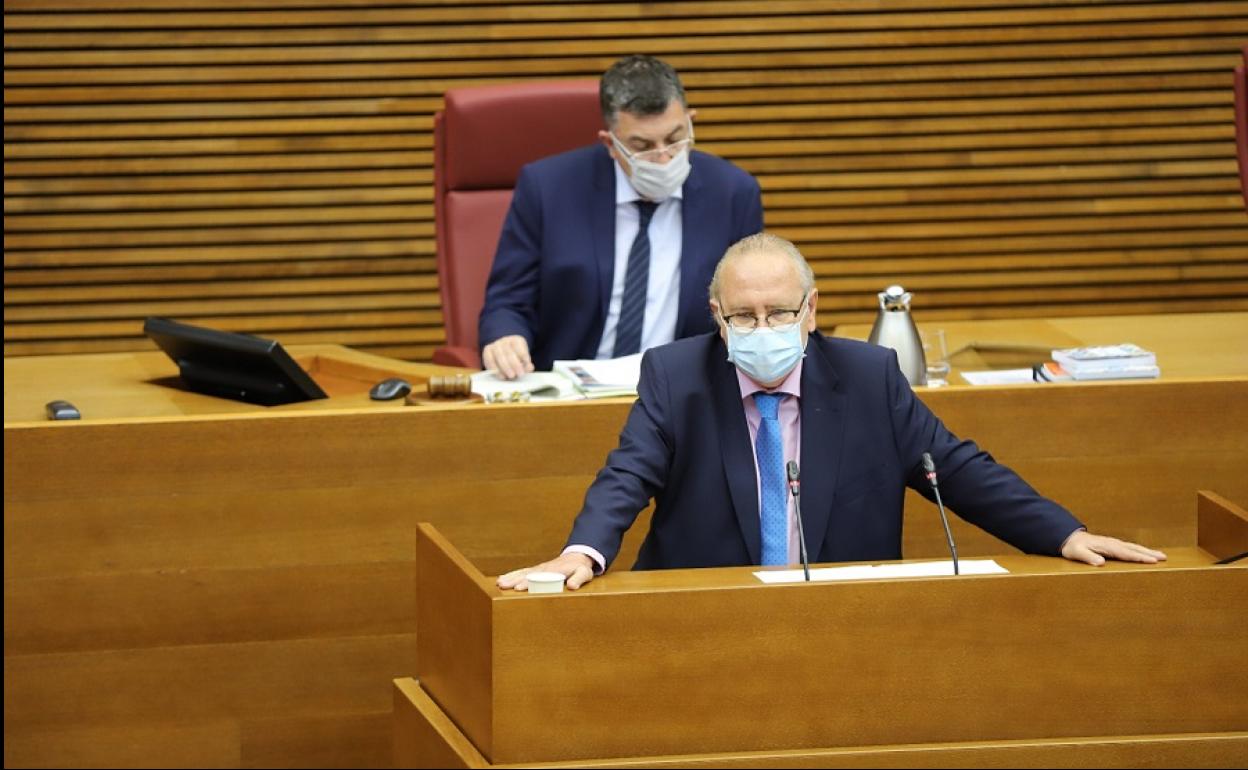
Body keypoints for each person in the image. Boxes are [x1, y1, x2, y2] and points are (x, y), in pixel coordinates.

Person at [498, 233, 1166, 590]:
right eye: (745, 316)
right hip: (700, 616)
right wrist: (579, 554)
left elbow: (956, 468)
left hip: (844, 616)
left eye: (782, 312)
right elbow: (627, 475)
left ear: (811, 310)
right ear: (718, 319)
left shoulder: (868, 376)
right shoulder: (678, 376)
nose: (765, 327)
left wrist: (1063, 534)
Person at [479, 54, 764, 379]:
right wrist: (504, 338)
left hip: (684, 395)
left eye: (674, 139)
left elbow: (749, 309)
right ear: (611, 144)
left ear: (691, 121)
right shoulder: (547, 189)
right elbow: (508, 300)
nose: (663, 158)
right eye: (642, 146)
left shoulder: (733, 193)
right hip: (569, 393)